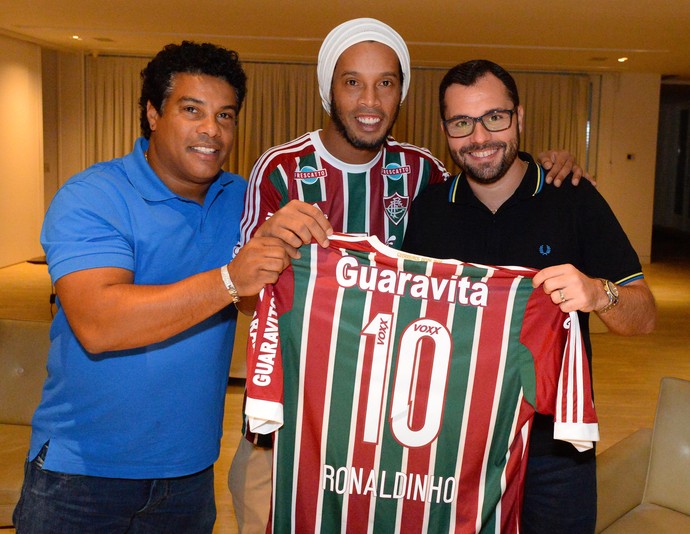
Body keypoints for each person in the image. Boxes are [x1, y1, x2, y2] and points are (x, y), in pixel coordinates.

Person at [229, 18, 590, 533]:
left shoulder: (424, 171)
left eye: (387, 83)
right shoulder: (280, 169)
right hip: (295, 426)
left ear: (403, 93)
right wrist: (269, 255)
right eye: (352, 81)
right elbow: (247, 301)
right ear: (328, 90)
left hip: (401, 436)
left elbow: (475, 248)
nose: (370, 99)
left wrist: (553, 171)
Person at [12, 41, 292, 534]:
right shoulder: (94, 196)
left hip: (188, 476)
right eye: (192, 110)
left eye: (225, 115)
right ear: (152, 114)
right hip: (81, 476)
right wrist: (230, 278)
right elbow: (99, 323)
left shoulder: (242, 201)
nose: (212, 130)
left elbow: (258, 298)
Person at [401, 59, 657, 533]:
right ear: (445, 129)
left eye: (494, 117)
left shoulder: (572, 197)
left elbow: (643, 317)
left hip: (554, 453)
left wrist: (600, 294)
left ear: (518, 116)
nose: (479, 137)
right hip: (453, 448)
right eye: (462, 123)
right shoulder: (430, 211)